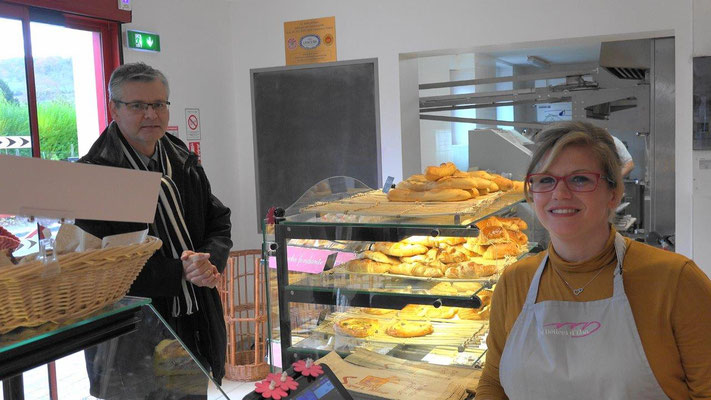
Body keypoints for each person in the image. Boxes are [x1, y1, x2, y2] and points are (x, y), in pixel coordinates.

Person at [475, 121, 711, 399]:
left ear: (614, 193)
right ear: (532, 192)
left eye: (580, 179)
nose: (560, 194)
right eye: (545, 180)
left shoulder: (676, 280)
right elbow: (494, 382)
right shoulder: (515, 280)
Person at [75, 62, 232, 397]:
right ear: (114, 109)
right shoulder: (95, 174)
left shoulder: (181, 161)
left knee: (190, 396)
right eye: (137, 106)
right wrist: (180, 271)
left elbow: (218, 220)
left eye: (159, 104)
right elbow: (99, 266)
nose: (151, 114)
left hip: (191, 320)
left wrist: (208, 259)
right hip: (129, 336)